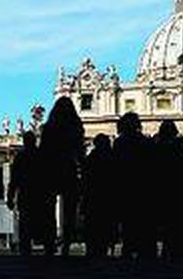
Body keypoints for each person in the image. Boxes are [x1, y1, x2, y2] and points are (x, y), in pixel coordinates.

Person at [39, 96, 85, 256]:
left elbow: (42, 152)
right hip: (68, 169)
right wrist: (83, 168)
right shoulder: (76, 127)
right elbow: (80, 150)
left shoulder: (49, 127)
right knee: (70, 210)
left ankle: (49, 243)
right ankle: (66, 243)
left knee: (48, 209)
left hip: (51, 170)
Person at [112, 112, 156, 259]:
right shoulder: (145, 142)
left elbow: (116, 167)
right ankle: (146, 253)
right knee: (144, 223)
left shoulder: (119, 143)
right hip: (143, 188)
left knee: (128, 223)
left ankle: (128, 251)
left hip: (126, 187)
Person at [152, 120, 183, 259]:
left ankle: (166, 252)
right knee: (177, 224)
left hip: (162, 190)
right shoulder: (182, 148)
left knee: (165, 224)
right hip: (179, 189)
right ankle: (177, 251)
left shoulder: (157, 148)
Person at [7, 131, 53, 255]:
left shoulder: (20, 157)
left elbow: (14, 180)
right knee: (44, 223)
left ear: (25, 142)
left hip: (26, 196)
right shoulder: (42, 156)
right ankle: (49, 251)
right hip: (41, 196)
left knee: (25, 227)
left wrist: (10, 197)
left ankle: (26, 253)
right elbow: (49, 178)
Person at [82, 133, 117, 257]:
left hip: (93, 200)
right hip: (107, 200)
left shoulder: (90, 159)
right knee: (106, 230)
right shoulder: (112, 159)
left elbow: (85, 181)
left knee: (94, 232)